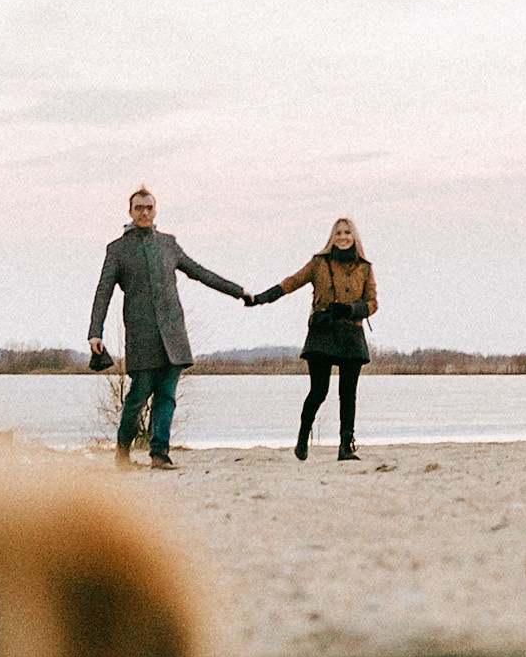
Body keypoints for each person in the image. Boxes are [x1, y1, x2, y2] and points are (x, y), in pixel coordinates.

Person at [88, 185, 251, 469]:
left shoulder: (168, 244)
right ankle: (122, 455)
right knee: (138, 396)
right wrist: (95, 332)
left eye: (149, 207)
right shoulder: (117, 249)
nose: (144, 213)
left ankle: (159, 454)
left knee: (167, 397)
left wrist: (239, 291)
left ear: (155, 210)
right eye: (139, 208)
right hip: (142, 334)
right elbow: (103, 291)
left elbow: (200, 273)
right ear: (130, 211)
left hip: (173, 333)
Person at [251, 217, 377, 462]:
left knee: (348, 393)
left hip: (351, 333)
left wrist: (352, 310)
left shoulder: (364, 267)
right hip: (323, 333)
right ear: (332, 237)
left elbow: (372, 303)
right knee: (319, 391)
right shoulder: (319, 263)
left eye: (347, 232)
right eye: (338, 232)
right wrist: (262, 298)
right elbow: (292, 282)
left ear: (354, 236)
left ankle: (345, 446)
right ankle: (302, 438)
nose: (342, 237)